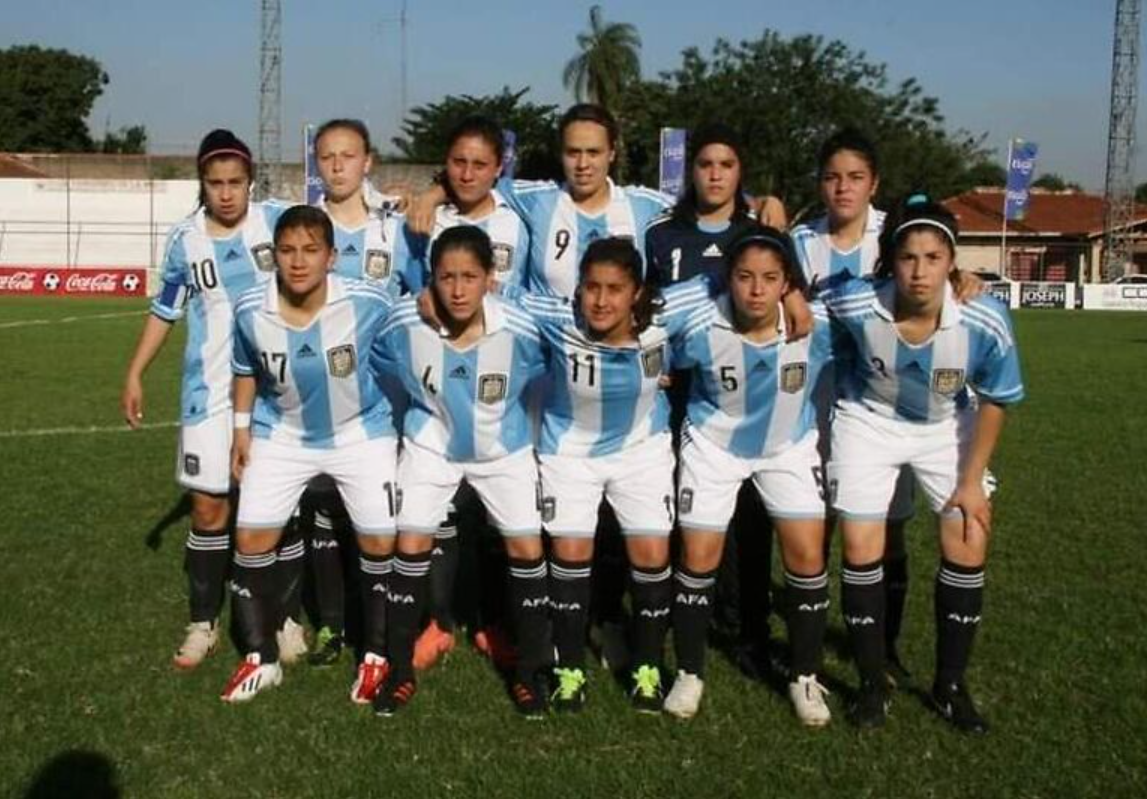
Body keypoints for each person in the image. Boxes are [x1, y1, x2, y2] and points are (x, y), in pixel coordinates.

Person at [824, 195, 1024, 732]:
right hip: (868, 422)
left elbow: (997, 399)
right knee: (862, 545)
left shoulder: (984, 318)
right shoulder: (855, 301)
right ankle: (872, 683)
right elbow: (797, 302)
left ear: (951, 262)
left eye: (933, 258)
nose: (920, 271)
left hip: (945, 429)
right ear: (892, 259)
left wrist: (970, 482)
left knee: (968, 531)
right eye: (909, 257)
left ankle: (950, 685)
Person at [500, 237, 708, 713]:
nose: (600, 300)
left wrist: (792, 286)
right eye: (591, 287)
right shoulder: (557, 318)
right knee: (571, 555)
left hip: (642, 450)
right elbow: (497, 291)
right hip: (568, 452)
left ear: (636, 292)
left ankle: (648, 666)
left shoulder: (664, 318)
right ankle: (570, 667)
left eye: (614, 289)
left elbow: (721, 279)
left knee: (653, 556)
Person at [120, 129, 292, 670]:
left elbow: (348, 216)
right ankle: (203, 622)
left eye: (234, 183)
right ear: (202, 183)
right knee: (208, 507)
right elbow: (165, 311)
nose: (225, 193)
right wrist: (135, 373)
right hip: (208, 395)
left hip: (274, 394)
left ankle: (282, 621)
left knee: (273, 511)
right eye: (214, 183)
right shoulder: (185, 240)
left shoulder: (276, 223)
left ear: (249, 183)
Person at [221, 205, 400, 703]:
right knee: (252, 539)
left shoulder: (370, 300)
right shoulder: (250, 307)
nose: (298, 261)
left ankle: (376, 656)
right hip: (282, 434)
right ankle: (261, 657)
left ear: (331, 256)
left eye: (310, 250)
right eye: (287, 250)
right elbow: (244, 369)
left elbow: (413, 328)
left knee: (380, 544)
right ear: (273, 255)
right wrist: (240, 431)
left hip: (361, 434)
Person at [370, 226, 550, 718]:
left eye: (470, 276)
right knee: (410, 545)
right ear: (430, 280)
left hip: (503, 450)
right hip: (432, 447)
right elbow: (375, 355)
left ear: (490, 279)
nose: (457, 289)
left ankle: (530, 673)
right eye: (446, 277)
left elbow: (558, 348)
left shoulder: (520, 325)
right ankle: (400, 672)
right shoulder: (405, 320)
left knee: (525, 548)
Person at [666, 228, 834, 725]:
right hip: (713, 446)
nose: (756, 290)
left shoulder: (815, 324)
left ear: (788, 283)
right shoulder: (699, 321)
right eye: (744, 277)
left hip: (788, 446)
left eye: (769, 279)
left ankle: (805, 676)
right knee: (699, 557)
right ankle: (690, 672)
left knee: (805, 554)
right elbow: (642, 313)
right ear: (727, 279)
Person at [646, 123, 787, 675]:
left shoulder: (760, 229)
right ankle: (694, 623)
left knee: (753, 517)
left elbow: (789, 292)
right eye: (705, 164)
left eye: (726, 165)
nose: (714, 174)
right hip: (683, 392)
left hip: (750, 396)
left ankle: (750, 629)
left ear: (739, 173)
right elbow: (646, 311)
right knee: (694, 512)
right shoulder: (661, 234)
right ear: (692, 170)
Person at [790, 128, 918, 682]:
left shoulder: (897, 237)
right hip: (816, 399)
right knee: (816, 525)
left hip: (887, 405)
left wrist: (964, 279)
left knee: (886, 529)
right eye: (832, 177)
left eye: (855, 177)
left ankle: (883, 648)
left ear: (875, 184)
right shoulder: (800, 242)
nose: (842, 188)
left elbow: (935, 275)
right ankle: (812, 644)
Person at [302, 118, 425, 668]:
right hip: (321, 399)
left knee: (380, 519)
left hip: (384, 400)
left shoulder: (393, 228)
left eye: (347, 155)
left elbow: (422, 301)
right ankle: (333, 624)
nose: (336, 165)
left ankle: (391, 622)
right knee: (325, 515)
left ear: (367, 161)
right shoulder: (302, 228)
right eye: (326, 156)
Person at [415, 115, 534, 670]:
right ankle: (436, 623)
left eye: (479, 164)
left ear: (500, 167)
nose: (466, 173)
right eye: (457, 163)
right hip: (438, 385)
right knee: (439, 511)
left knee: (496, 516)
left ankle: (494, 623)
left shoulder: (523, 214)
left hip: (504, 390)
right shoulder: (422, 218)